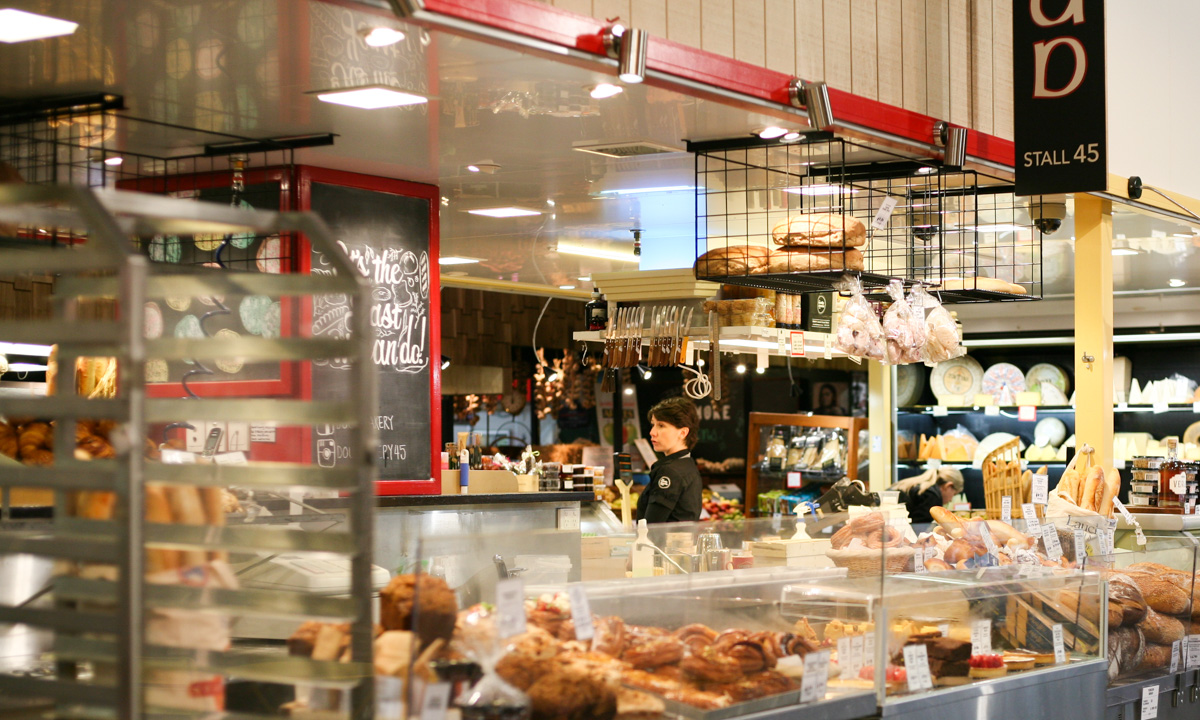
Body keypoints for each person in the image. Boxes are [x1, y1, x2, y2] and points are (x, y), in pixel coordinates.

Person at [636, 397, 703, 523]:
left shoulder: (669, 471)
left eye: (661, 425)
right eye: (653, 425)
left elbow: (652, 527)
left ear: (683, 433)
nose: (652, 432)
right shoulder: (688, 464)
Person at [891, 467, 964, 524]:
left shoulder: (917, 485)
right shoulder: (932, 495)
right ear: (948, 486)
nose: (951, 500)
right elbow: (919, 528)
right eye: (954, 494)